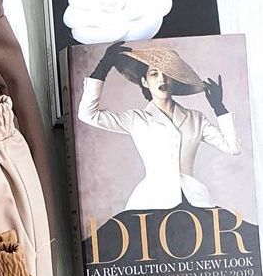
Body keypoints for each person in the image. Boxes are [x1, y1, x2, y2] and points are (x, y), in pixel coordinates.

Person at [78, 42, 239, 210]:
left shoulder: (196, 119)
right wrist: (103, 67)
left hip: (194, 200)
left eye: (167, 74)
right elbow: (87, 114)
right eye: (154, 74)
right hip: (151, 201)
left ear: (174, 80)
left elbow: (233, 147)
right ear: (144, 82)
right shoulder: (136, 119)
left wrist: (219, 107)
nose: (162, 79)